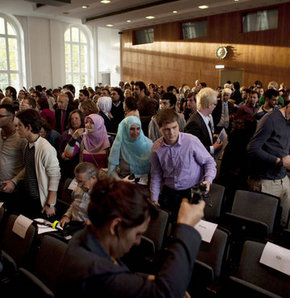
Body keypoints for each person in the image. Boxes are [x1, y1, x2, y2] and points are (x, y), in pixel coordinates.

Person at [56, 174, 205, 297]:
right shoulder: (94, 271)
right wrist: (185, 227)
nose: (138, 242)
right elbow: (167, 293)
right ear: (115, 226)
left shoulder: (84, 237)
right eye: (137, 234)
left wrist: (146, 280)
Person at [150, 109, 216, 222]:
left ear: (178, 125)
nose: (171, 133)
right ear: (159, 128)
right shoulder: (156, 148)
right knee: (170, 224)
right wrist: (154, 199)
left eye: (174, 127)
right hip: (169, 192)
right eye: (166, 129)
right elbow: (156, 175)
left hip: (191, 191)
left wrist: (208, 180)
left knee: (190, 227)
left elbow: (209, 162)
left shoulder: (191, 141)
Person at [6, 109, 61, 219]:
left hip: (39, 200)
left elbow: (55, 176)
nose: (17, 129)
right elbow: (29, 168)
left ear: (29, 127)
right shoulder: (29, 145)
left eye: (19, 126)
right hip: (28, 196)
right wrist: (14, 181)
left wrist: (50, 203)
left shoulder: (45, 148)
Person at [247, 101, 290, 228]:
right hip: (265, 181)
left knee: (282, 225)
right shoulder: (270, 119)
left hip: (283, 179)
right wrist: (278, 161)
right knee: (262, 225)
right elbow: (252, 148)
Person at [108, 116, 152, 180]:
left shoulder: (149, 145)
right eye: (132, 129)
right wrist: (122, 182)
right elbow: (111, 171)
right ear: (125, 129)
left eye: (138, 128)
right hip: (124, 184)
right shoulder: (119, 146)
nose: (135, 132)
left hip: (145, 184)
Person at [0, 104, 26, 212]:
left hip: (10, 187)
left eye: (0, 116)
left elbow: (28, 165)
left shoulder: (21, 138)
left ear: (10, 118)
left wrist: (14, 181)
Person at [59, 162, 99, 232]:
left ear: (93, 178)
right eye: (77, 181)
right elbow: (74, 204)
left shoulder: (102, 195)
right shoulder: (78, 189)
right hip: (72, 224)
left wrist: (94, 222)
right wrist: (67, 216)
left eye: (81, 181)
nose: (78, 185)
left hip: (87, 229)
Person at [185, 87, 223, 155]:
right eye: (214, 104)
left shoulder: (206, 117)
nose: (215, 107)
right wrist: (213, 148)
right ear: (208, 105)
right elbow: (192, 149)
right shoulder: (194, 123)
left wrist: (212, 137)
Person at [59, 109, 85, 181]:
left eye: (76, 118)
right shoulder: (66, 135)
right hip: (69, 167)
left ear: (81, 119)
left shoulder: (85, 133)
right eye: (72, 119)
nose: (74, 121)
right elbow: (62, 153)